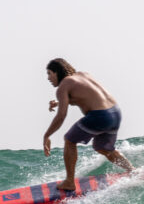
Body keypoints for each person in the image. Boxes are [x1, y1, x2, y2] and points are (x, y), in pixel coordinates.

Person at [43, 58, 134, 191]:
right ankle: (132, 170)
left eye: (49, 73)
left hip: (100, 116)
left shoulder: (63, 86)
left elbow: (61, 116)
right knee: (103, 148)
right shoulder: (83, 75)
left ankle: (69, 182)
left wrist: (47, 135)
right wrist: (59, 102)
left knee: (69, 140)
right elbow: (87, 96)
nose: (48, 78)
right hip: (115, 113)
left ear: (57, 72)